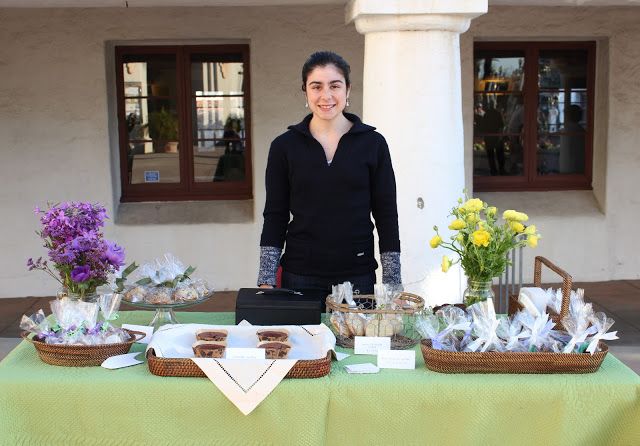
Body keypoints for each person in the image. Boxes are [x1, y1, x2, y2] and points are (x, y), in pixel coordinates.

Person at [257, 51, 402, 297]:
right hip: (300, 275)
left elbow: (386, 215)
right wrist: (266, 279)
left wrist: (393, 283)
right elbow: (275, 215)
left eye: (335, 86)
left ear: (348, 90)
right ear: (306, 92)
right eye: (316, 87)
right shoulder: (284, 146)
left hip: (358, 276)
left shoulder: (373, 144)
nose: (326, 96)